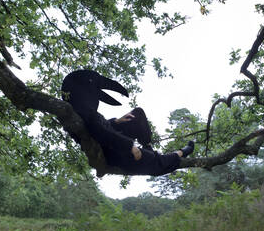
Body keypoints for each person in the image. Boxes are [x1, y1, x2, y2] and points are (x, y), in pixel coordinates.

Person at [61, 69, 194, 176]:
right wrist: (129, 146)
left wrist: (116, 122)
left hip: (114, 141)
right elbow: (100, 133)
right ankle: (181, 153)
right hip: (115, 152)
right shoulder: (82, 114)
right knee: (156, 163)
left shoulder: (85, 113)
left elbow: (99, 128)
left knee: (137, 114)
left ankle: (147, 146)